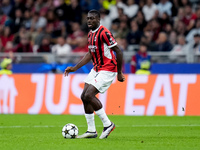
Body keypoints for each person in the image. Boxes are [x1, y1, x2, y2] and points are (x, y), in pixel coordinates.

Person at [64, 10, 125, 139]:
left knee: (89, 95)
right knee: (84, 96)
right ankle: (91, 130)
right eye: (88, 18)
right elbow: (90, 53)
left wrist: (119, 72)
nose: (89, 21)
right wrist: (75, 67)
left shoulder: (104, 33)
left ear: (99, 19)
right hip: (96, 68)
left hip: (108, 69)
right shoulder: (90, 34)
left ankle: (108, 124)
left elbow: (118, 51)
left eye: (92, 18)